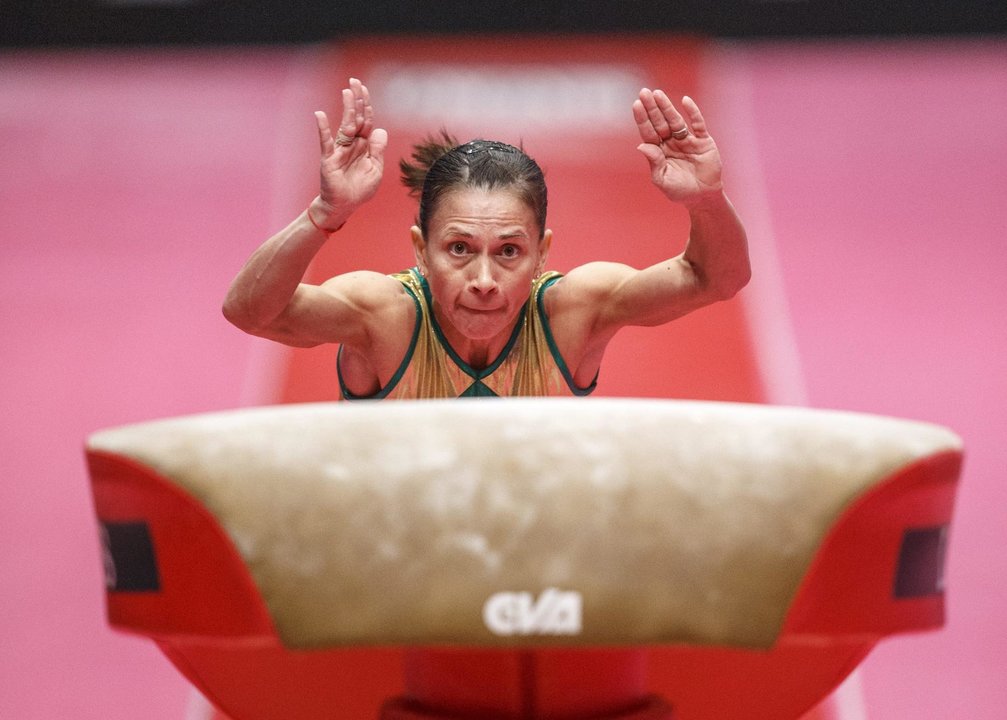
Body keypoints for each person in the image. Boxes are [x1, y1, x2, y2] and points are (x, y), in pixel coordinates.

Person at [223, 78, 750, 399]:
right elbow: (250, 311)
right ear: (419, 251)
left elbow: (717, 279)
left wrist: (706, 201)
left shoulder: (575, 312)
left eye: (509, 252)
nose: (483, 281)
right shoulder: (384, 317)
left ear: (542, 254)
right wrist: (324, 213)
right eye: (458, 249)